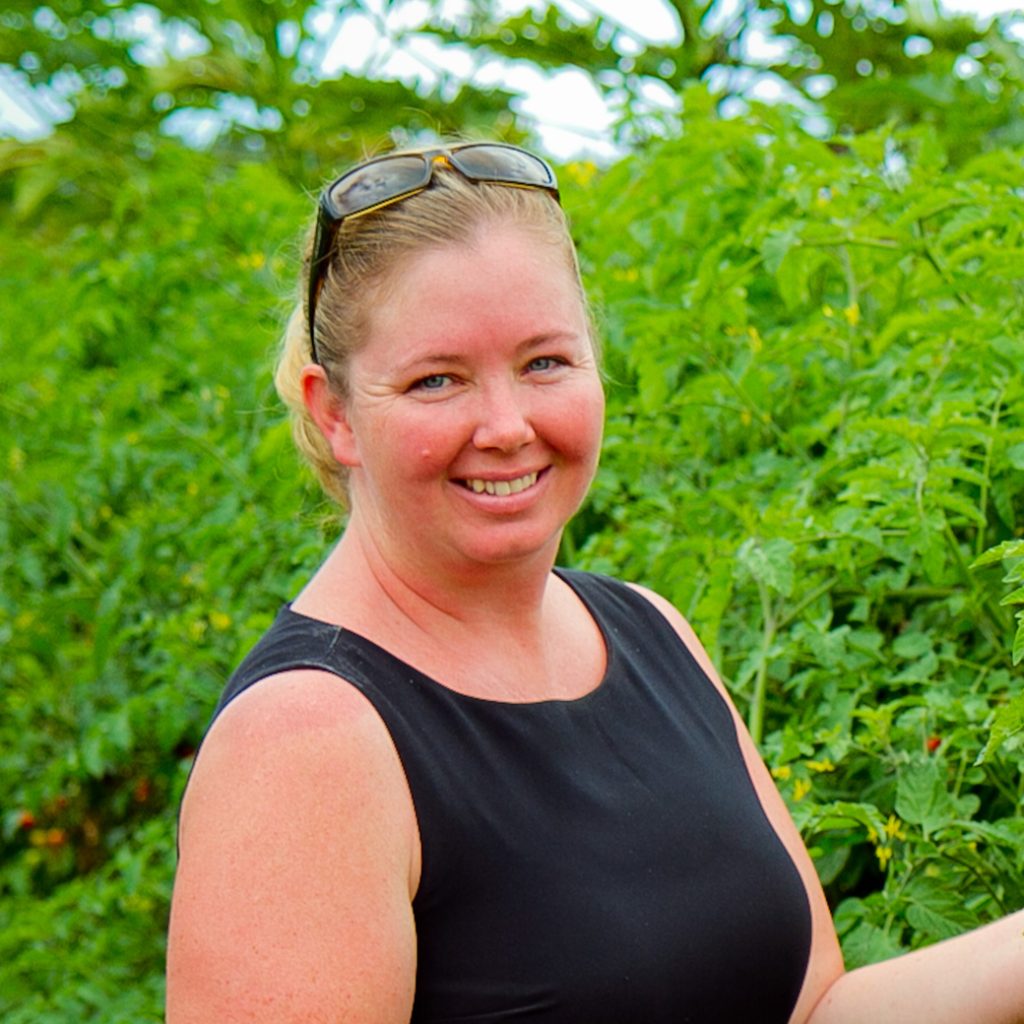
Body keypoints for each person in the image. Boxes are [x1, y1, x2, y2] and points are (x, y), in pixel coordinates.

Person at [166, 141, 1024, 1024]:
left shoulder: (648, 631)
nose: (507, 425)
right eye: (437, 379)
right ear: (333, 411)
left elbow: (809, 1010)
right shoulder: (305, 743)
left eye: (545, 363)